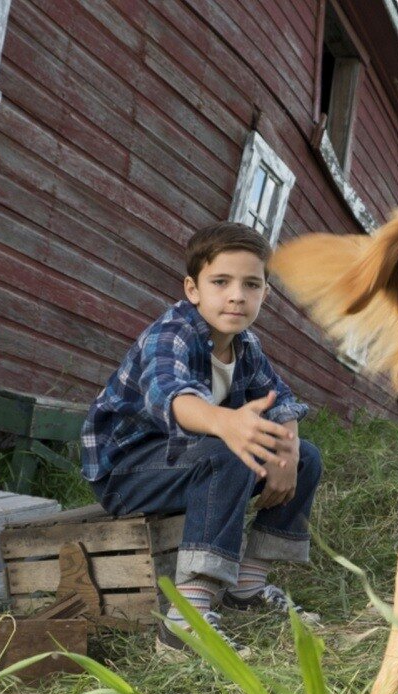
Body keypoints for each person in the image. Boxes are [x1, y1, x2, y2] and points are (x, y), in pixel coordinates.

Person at [81, 221, 322, 659]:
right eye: (221, 282)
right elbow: (172, 396)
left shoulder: (246, 345)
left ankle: (246, 587)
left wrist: (285, 453)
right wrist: (224, 422)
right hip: (129, 471)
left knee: (306, 457)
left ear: (265, 293)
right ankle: (183, 623)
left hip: (190, 461)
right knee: (226, 450)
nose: (236, 295)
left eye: (251, 284)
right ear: (193, 289)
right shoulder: (172, 333)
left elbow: (282, 400)